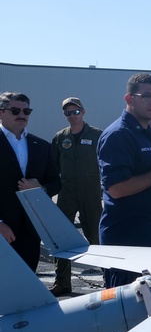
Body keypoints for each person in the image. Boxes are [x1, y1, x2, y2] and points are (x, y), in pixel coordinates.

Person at [98, 73, 151, 288]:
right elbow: (116, 189)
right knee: (125, 311)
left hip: (149, 235)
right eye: (146, 95)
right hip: (127, 240)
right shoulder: (119, 135)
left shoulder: (147, 133)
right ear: (129, 99)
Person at [0, 92, 60, 272]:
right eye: (15, 110)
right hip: (3, 227)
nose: (22, 115)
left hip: (31, 231)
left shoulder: (41, 146)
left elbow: (55, 182)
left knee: (28, 289)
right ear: (1, 113)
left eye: (26, 111)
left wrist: (40, 188)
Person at [49, 97, 102, 294]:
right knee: (62, 238)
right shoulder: (60, 137)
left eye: (75, 112)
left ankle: (109, 278)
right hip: (66, 195)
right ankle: (62, 282)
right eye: (68, 113)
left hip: (91, 194)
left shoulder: (97, 135)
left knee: (96, 237)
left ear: (83, 112)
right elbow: (52, 168)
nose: (72, 116)